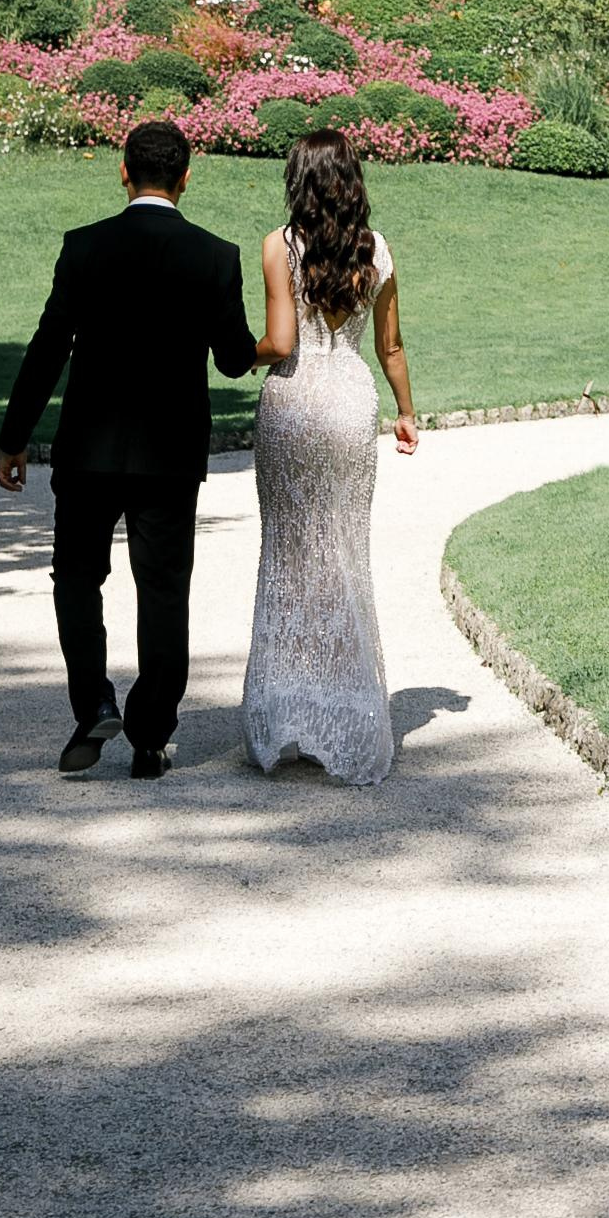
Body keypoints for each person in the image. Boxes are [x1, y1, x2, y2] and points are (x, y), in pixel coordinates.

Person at [0, 119, 255, 779]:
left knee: (77, 578)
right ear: (186, 177)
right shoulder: (215, 256)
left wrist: (13, 436)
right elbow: (230, 360)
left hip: (88, 447)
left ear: (123, 170)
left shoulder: (84, 247)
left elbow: (48, 346)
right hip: (170, 455)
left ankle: (93, 705)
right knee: (164, 590)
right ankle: (149, 733)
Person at [243, 129, 418, 785]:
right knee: (344, 548)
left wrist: (238, 347)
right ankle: (348, 709)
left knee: (289, 550)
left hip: (291, 403)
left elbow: (280, 340)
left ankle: (283, 713)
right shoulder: (375, 250)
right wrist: (405, 411)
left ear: (299, 181)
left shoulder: (276, 246)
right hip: (347, 399)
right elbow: (391, 347)